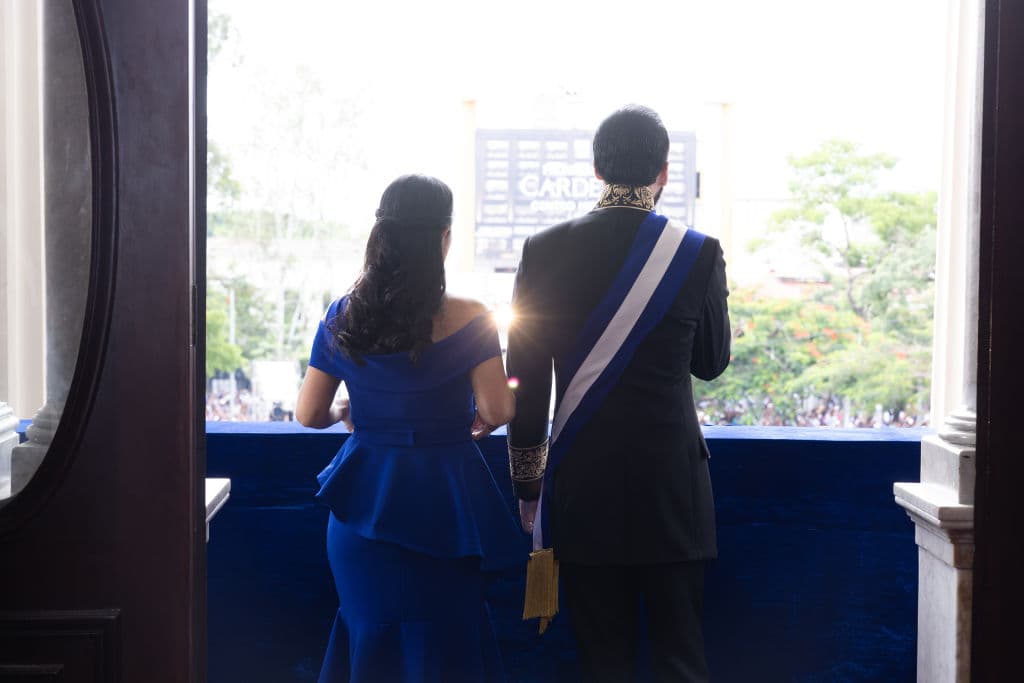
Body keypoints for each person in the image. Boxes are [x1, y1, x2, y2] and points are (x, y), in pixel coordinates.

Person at [506, 105, 731, 682]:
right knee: (682, 660)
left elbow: (525, 384)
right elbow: (711, 364)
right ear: (663, 170)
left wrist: (529, 487)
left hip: (584, 488)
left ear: (596, 169)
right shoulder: (697, 251)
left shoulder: (543, 249)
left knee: (602, 662)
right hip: (673, 493)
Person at [296, 174, 522, 683]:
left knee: (370, 636)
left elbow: (309, 414)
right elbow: (499, 408)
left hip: (363, 502)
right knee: (449, 642)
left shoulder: (344, 314)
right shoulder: (471, 316)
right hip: (446, 504)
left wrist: (345, 412)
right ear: (443, 236)